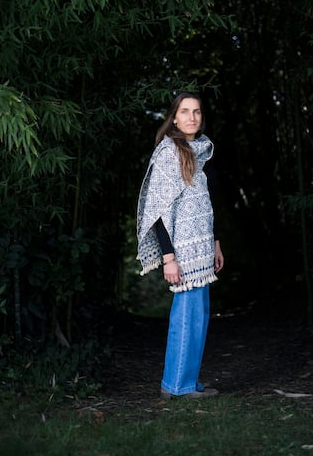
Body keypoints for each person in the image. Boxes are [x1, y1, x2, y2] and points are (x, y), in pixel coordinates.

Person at [136, 92, 224, 398]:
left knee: (199, 316)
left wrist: (215, 242)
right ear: (174, 117)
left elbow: (207, 204)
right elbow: (157, 211)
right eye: (185, 111)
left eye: (197, 112)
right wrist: (168, 257)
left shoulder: (203, 150)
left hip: (202, 246)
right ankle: (176, 386)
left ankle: (188, 381)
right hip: (181, 250)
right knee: (186, 317)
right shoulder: (168, 153)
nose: (191, 117)